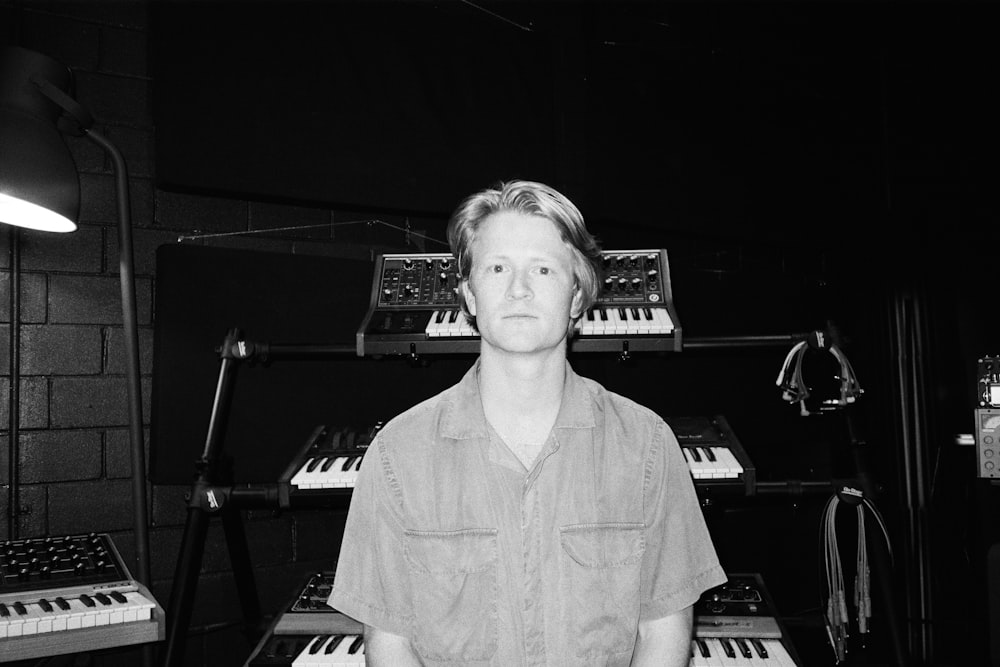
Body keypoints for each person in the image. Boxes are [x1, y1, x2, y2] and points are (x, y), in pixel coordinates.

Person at [329, 180, 726, 666]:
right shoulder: (397, 454)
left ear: (578, 297)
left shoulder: (646, 445)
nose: (519, 289)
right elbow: (390, 642)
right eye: (498, 268)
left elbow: (663, 629)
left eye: (542, 268)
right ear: (469, 296)